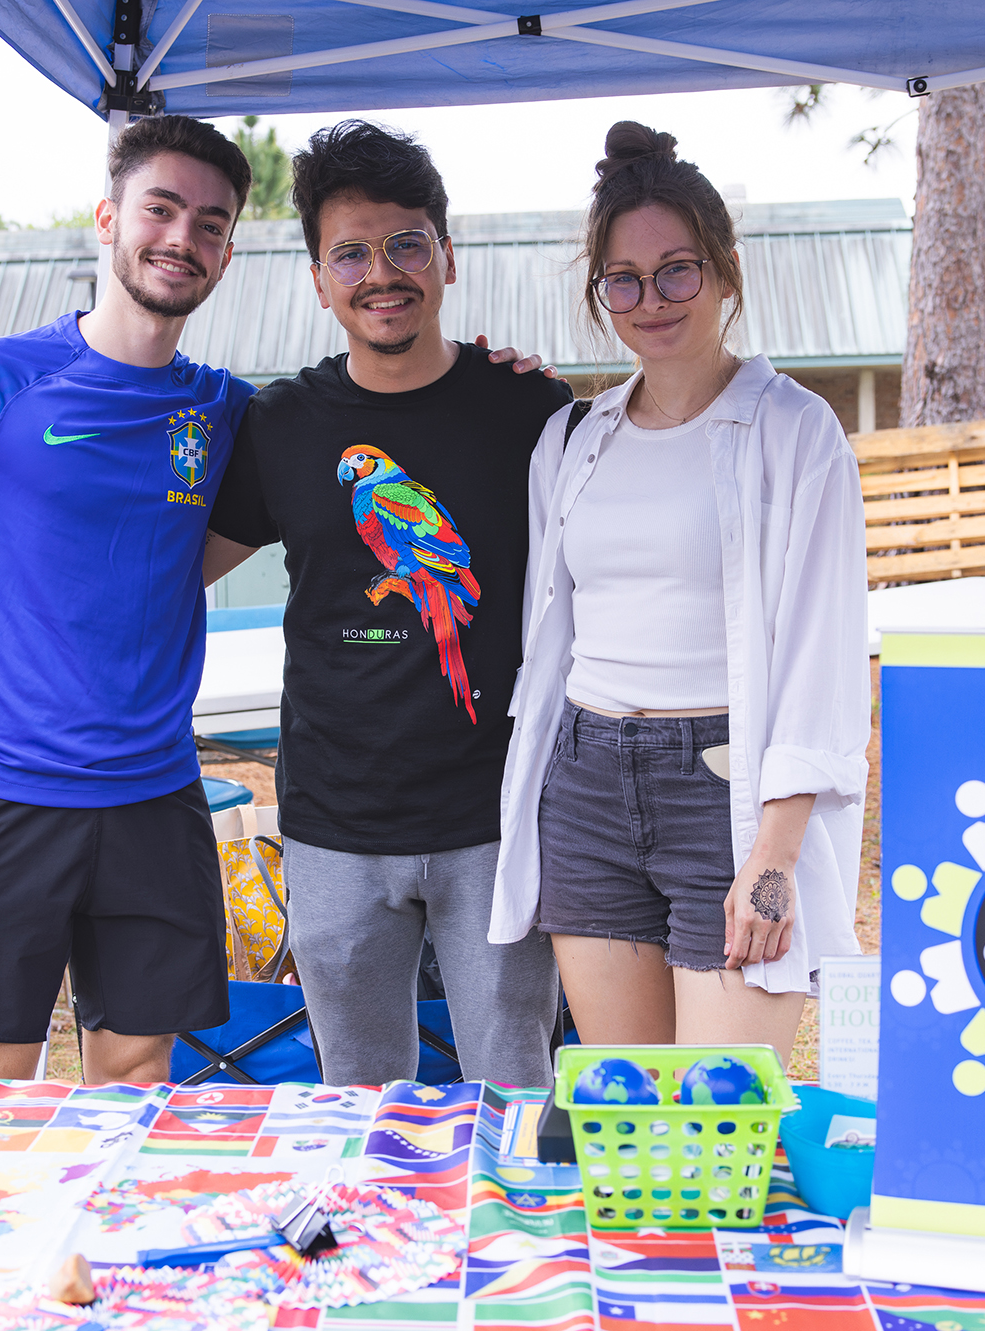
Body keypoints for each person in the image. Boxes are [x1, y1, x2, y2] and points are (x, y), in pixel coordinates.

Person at [0, 115, 256, 1086]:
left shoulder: (227, 412)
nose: (181, 237)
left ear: (228, 249)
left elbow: (178, 557)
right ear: (106, 217)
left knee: (135, 1093)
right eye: (159, 208)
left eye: (209, 222)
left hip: (154, 799)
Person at [492, 123, 871, 1064]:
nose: (649, 299)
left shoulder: (794, 430)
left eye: (676, 270)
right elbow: (551, 630)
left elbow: (828, 655)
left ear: (725, 271)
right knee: (630, 1111)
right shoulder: (573, 439)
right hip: (583, 784)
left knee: (715, 1122)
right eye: (622, 279)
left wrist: (773, 859)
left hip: (727, 792)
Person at [205, 121, 571, 1087]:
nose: (383, 271)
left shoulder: (532, 412)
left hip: (496, 817)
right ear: (319, 278)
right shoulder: (281, 424)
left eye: (407, 242)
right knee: (359, 1103)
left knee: (513, 1091)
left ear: (448, 256)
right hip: (333, 822)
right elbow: (174, 568)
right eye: (352, 252)